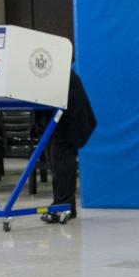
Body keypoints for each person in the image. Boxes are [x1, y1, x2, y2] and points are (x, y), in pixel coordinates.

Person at [39, 70, 96, 224]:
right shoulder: (56, 74)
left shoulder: (65, 76)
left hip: (68, 125)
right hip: (59, 125)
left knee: (62, 164)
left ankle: (63, 207)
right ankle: (65, 206)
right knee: (57, 165)